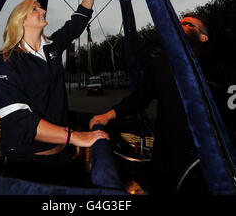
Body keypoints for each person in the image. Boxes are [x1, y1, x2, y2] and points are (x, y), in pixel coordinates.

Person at [89, 14, 236, 194]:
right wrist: (107, 115)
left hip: (207, 162)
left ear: (203, 37)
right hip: (166, 158)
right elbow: (140, 98)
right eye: (179, 23)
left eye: (188, 24)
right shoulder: (159, 65)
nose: (180, 25)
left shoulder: (220, 71)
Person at [0, 0, 109, 186]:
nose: (43, 10)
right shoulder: (7, 60)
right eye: (35, 9)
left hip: (61, 156)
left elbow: (79, 19)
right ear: (21, 21)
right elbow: (18, 119)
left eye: (41, 7)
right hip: (27, 165)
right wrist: (74, 136)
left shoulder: (52, 47)